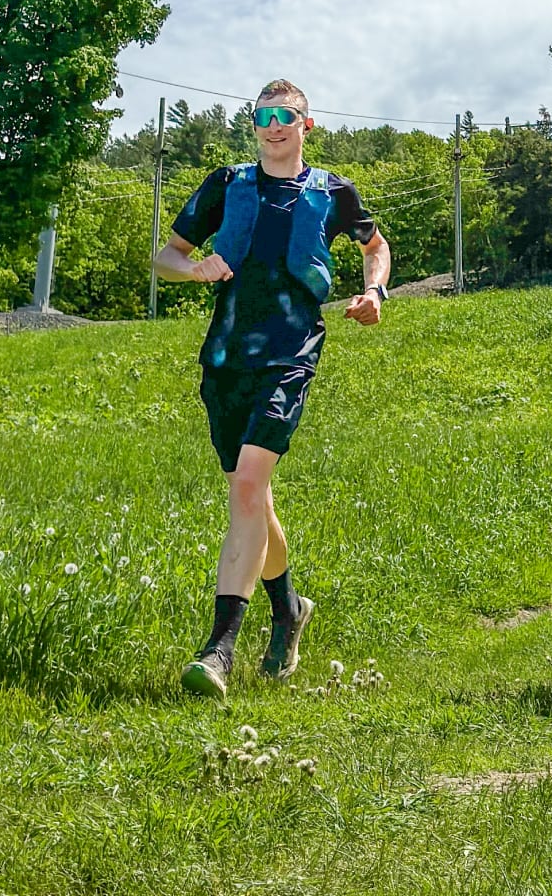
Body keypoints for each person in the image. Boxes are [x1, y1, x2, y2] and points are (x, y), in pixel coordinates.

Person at [153, 79, 391, 700]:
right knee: (250, 498)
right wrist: (193, 267)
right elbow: (166, 256)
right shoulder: (224, 185)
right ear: (253, 124)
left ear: (307, 125)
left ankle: (218, 650)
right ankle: (289, 609)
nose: (274, 123)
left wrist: (374, 291)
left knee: (251, 487)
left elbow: (375, 245)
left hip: (291, 351)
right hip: (226, 357)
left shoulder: (332, 191)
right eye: (264, 115)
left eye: (287, 114)